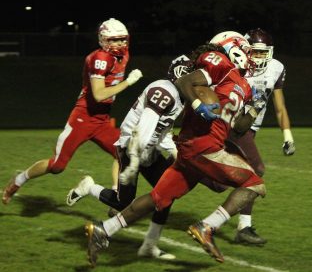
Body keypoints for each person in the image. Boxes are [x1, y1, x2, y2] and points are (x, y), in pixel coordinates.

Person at [83, 32, 267, 267]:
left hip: (195, 150)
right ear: (233, 48)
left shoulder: (244, 86)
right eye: (247, 50)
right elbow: (185, 81)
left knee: (158, 198)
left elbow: (239, 128)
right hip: (203, 146)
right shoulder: (220, 64)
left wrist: (254, 109)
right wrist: (199, 104)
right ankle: (207, 227)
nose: (252, 57)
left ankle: (103, 230)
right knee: (255, 183)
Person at [65, 55, 194, 260]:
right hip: (131, 147)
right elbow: (145, 127)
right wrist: (135, 158)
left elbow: (161, 131)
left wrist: (173, 150)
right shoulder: (165, 91)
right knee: (122, 203)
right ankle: (89, 187)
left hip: (148, 149)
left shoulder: (179, 97)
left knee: (167, 193)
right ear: (182, 75)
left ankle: (149, 246)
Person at [2, 18, 143, 205]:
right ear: (103, 40)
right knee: (57, 166)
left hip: (102, 120)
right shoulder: (100, 59)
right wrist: (128, 83)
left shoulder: (123, 56)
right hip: (83, 118)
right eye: (114, 40)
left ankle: (116, 198)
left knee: (124, 155)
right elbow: (99, 94)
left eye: (122, 39)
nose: (119, 44)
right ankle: (19, 180)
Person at [226, 28, 295, 245]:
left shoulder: (275, 68)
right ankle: (235, 227)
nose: (259, 57)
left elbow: (280, 107)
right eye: (254, 52)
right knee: (255, 172)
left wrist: (288, 136)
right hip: (233, 125)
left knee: (217, 182)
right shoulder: (236, 65)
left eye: (263, 53)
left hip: (251, 128)